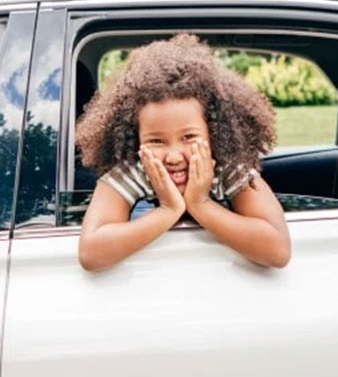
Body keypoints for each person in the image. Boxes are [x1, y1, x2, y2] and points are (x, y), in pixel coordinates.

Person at [76, 33, 291, 271]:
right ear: (135, 139)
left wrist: (200, 203)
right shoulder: (135, 171)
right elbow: (90, 253)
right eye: (156, 141)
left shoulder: (226, 169)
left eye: (189, 137)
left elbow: (278, 251)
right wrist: (169, 210)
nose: (174, 156)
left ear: (214, 132)